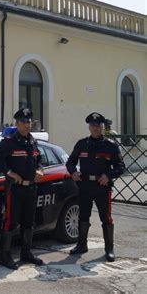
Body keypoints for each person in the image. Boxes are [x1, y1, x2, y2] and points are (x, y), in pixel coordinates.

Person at [66, 112, 125, 262]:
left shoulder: (110, 146)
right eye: (93, 125)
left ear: (102, 127)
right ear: (89, 127)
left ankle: (109, 249)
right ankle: (81, 245)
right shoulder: (82, 144)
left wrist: (109, 175)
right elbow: (70, 162)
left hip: (102, 187)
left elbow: (120, 166)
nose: (95, 128)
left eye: (98, 125)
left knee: (106, 218)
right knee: (83, 216)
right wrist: (73, 172)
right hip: (85, 185)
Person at [0, 108, 44, 270]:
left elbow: (39, 160)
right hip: (14, 189)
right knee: (11, 222)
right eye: (24, 122)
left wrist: (40, 170)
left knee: (29, 222)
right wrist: (10, 173)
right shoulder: (9, 142)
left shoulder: (32, 141)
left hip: (31, 188)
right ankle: (5, 256)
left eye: (29, 122)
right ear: (17, 124)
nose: (27, 125)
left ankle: (26, 252)